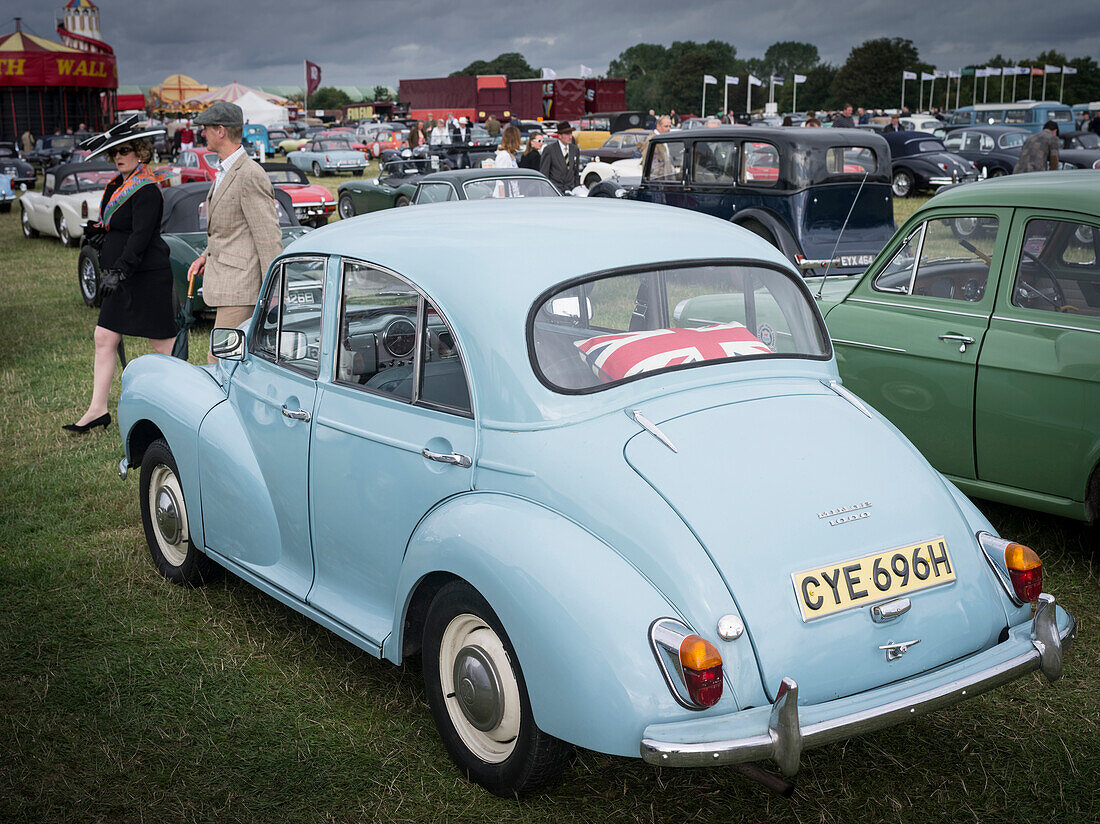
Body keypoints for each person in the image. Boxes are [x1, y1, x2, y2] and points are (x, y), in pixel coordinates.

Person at [64, 123, 173, 433]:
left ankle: (174, 409)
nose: (118, 157)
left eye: (124, 151)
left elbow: (140, 237)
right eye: (114, 152)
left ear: (140, 152)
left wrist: (120, 270)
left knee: (162, 343)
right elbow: (119, 225)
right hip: (121, 275)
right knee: (104, 337)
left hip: (146, 275)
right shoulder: (115, 185)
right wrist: (99, 233)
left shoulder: (147, 187)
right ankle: (97, 409)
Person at [185, 101, 282, 363]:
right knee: (228, 359)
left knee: (219, 360)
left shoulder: (249, 174)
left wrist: (273, 291)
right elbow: (227, 228)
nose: (201, 133)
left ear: (220, 131)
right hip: (230, 282)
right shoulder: (226, 171)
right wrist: (206, 255)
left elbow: (268, 236)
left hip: (242, 285)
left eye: (205, 128)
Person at [540, 121, 580, 192]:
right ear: (559, 136)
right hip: (555, 191)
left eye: (571, 133)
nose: (570, 137)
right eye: (567, 134)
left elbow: (575, 172)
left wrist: (576, 188)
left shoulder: (574, 149)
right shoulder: (549, 150)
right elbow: (544, 173)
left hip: (571, 191)